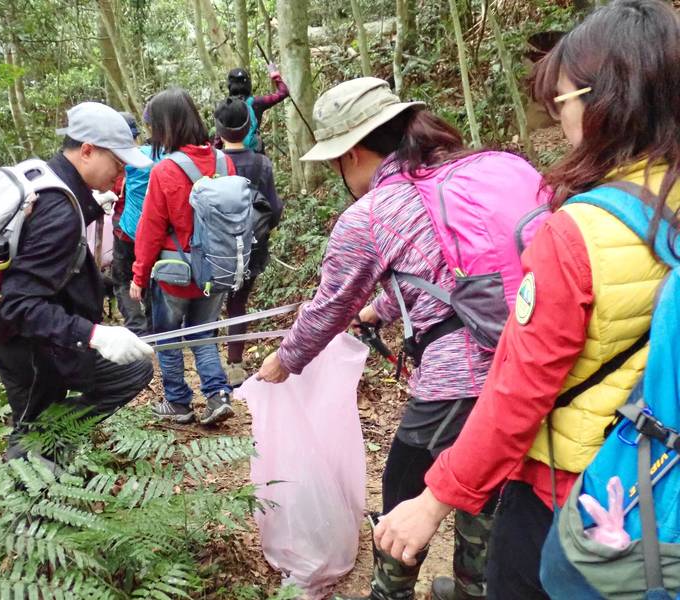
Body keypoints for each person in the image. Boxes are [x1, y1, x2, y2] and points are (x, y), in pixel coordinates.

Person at [372, 2, 680, 599]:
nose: (556, 116)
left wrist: (434, 500)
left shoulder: (580, 231)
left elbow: (519, 391)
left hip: (570, 487)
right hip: (655, 475)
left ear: (604, 101)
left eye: (560, 99)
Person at [256, 77, 501, 600]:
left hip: (458, 374)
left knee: (404, 487)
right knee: (489, 469)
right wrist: (380, 309)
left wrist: (285, 360)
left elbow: (328, 307)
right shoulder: (458, 177)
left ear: (352, 153)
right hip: (522, 355)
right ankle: (474, 585)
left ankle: (389, 594)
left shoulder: (369, 213)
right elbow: (439, 274)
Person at [0, 102, 155, 462]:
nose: (122, 171)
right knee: (32, 432)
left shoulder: (47, 178)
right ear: (88, 151)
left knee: (129, 371)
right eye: (118, 161)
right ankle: (31, 497)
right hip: (28, 346)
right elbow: (19, 304)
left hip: (38, 340)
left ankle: (48, 450)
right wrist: (95, 335)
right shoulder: (59, 209)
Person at [130, 88, 235, 426]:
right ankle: (217, 395)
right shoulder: (224, 161)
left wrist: (138, 276)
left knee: (168, 336)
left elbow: (150, 229)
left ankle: (177, 402)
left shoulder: (165, 170)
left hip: (176, 272)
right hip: (217, 268)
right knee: (203, 332)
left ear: (165, 126)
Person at [213, 96, 284, 386]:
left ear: (218, 129)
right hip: (252, 246)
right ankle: (235, 365)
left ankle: (208, 366)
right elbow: (274, 208)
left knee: (212, 302)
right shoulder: (261, 163)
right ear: (248, 126)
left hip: (217, 247)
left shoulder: (212, 163)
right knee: (238, 304)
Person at [110, 110, 160, 336]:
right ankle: (155, 328)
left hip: (127, 231)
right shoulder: (156, 156)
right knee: (150, 278)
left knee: (122, 280)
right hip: (155, 232)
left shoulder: (117, 163)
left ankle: (137, 329)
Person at [220, 66, 289, 154]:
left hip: (231, 157)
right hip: (255, 155)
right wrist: (275, 75)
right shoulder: (257, 102)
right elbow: (283, 93)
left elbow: (218, 138)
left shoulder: (224, 106)